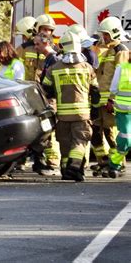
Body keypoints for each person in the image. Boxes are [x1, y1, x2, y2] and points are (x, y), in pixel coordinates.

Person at [42, 31, 100, 181]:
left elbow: (46, 90)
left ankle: (66, 171)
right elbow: (95, 91)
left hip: (62, 114)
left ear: (62, 47)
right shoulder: (87, 67)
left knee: (65, 144)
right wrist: (95, 109)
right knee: (80, 141)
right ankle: (75, 168)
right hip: (82, 114)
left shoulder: (54, 68)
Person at [90, 16, 129, 173]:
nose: (103, 37)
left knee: (111, 132)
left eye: (106, 34)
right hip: (101, 98)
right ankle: (104, 161)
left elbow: (123, 78)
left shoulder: (121, 51)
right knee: (98, 130)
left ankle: (118, 163)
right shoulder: (108, 49)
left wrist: (113, 100)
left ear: (114, 33)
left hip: (111, 100)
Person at [33, 32, 61, 173]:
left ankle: (52, 163)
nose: (35, 47)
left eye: (37, 44)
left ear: (46, 43)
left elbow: (52, 84)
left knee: (49, 132)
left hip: (52, 101)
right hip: (47, 100)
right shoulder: (48, 59)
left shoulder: (53, 60)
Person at [104, 56, 131, 178]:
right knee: (126, 140)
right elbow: (113, 89)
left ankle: (115, 164)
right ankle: (114, 163)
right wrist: (110, 100)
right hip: (124, 112)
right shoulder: (122, 68)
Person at [15, 16, 42, 82]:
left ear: (28, 33)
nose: (23, 38)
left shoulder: (22, 48)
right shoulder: (48, 47)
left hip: (28, 88)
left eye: (23, 35)